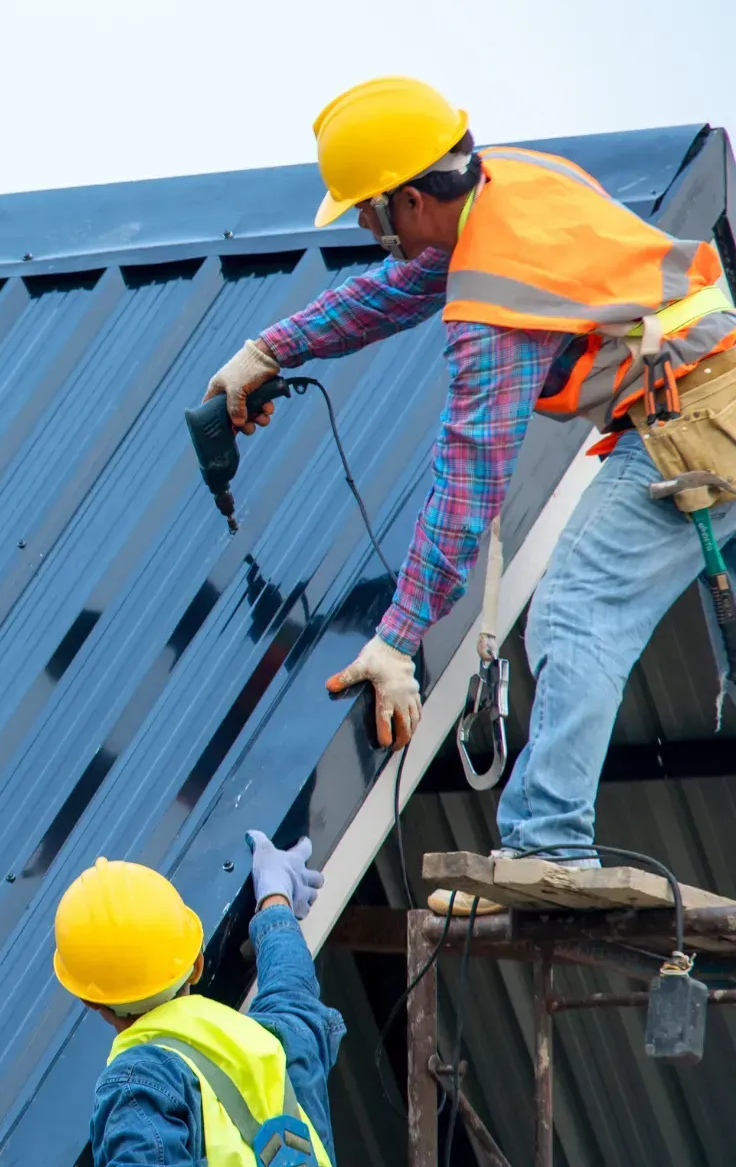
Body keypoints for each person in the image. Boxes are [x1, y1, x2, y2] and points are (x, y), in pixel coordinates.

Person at [204, 77, 736, 912]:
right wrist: (270, 351)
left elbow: (470, 480)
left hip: (699, 417)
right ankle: (548, 843)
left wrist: (397, 635)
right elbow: (398, 290)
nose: (373, 237)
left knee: (575, 610)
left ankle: (550, 848)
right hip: (709, 397)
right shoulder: (507, 183)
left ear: (412, 199)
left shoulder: (495, 295)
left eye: (372, 217)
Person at [54, 831, 344, 1166]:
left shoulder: (139, 1087)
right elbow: (292, 994)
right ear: (196, 965)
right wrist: (275, 895)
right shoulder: (273, 1046)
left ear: (91, 1002)